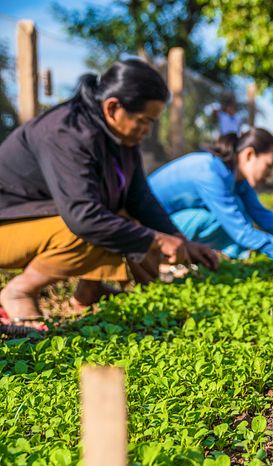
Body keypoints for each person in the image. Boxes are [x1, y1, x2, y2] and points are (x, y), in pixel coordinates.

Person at [0, 60, 217, 326]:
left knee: (121, 218)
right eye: (143, 121)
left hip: (40, 219)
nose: (147, 130)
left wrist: (178, 240)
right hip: (8, 226)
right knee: (93, 226)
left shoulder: (120, 136)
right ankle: (20, 291)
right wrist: (157, 241)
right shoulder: (65, 133)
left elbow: (140, 199)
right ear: (113, 107)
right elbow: (83, 218)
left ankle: (89, 292)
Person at [148, 130, 273, 261]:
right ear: (249, 155)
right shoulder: (209, 172)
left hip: (172, 223)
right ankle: (165, 257)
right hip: (148, 228)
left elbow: (259, 213)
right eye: (268, 165)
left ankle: (205, 253)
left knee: (239, 207)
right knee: (218, 218)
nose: (269, 173)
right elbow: (240, 231)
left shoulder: (236, 177)